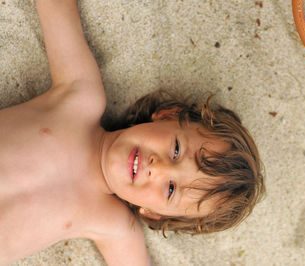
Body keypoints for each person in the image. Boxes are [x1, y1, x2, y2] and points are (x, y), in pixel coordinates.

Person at [0, 0, 265, 265]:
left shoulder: (111, 222)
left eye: (171, 189)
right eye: (175, 150)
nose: (157, 168)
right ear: (168, 115)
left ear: (153, 214)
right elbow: (57, 11)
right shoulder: (82, 99)